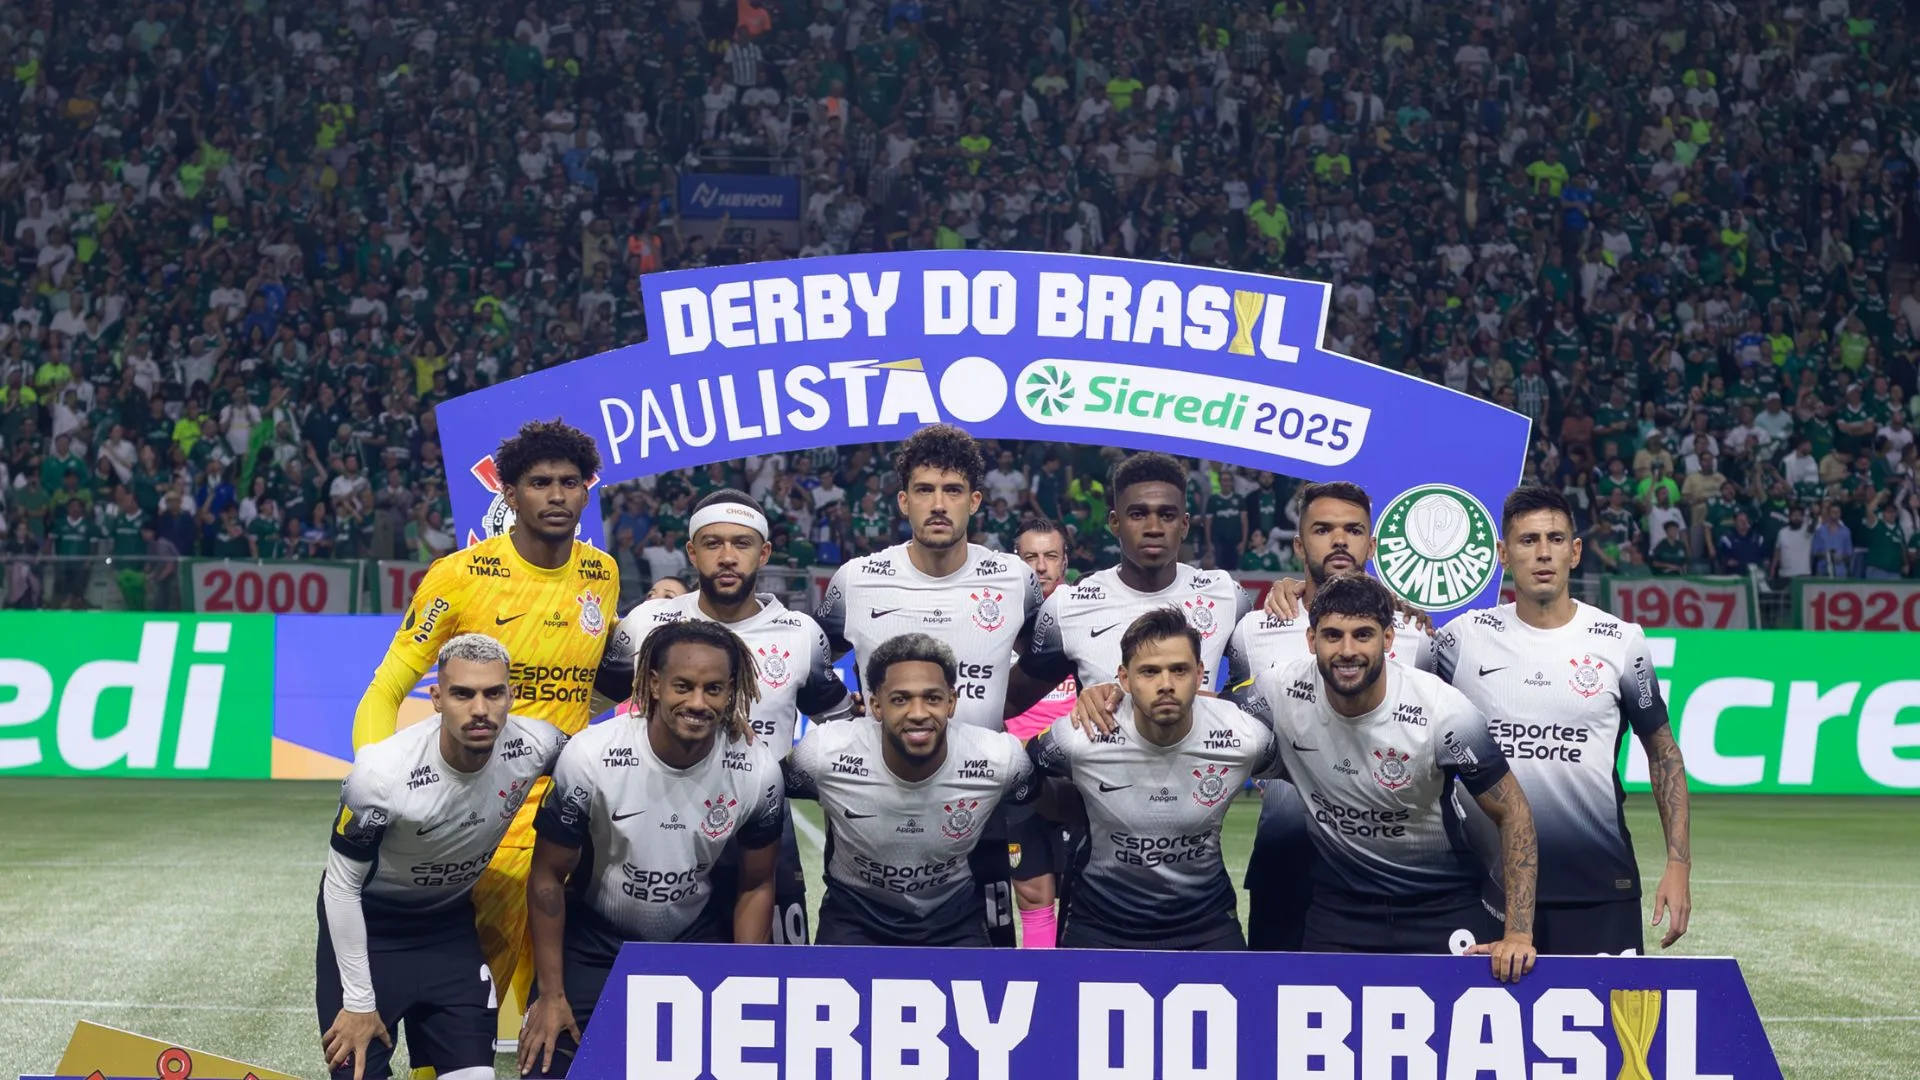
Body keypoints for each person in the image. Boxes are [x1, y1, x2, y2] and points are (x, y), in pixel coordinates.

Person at [350, 418, 617, 1038]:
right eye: (540, 483)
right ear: (510, 494)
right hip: (479, 818)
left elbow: (584, 688)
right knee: (461, 1008)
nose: (557, 495)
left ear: (587, 492)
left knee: (561, 1011)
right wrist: (376, 778)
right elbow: (386, 688)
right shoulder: (460, 575)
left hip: (570, 819)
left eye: (570, 482)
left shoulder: (601, 573)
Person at [519, 619, 785, 1077]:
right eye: (684, 686)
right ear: (655, 684)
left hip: (694, 939)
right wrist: (551, 994)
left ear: (731, 691)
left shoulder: (757, 770)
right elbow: (547, 876)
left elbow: (756, 883)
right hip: (594, 940)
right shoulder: (591, 757)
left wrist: (746, 986)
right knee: (546, 1065)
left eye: (714, 689)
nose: (698, 703)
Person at [1433, 485, 1691, 956]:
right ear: (1503, 554)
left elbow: (1663, 753)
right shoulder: (1461, 640)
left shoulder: (1620, 641)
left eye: (1554, 539)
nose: (1542, 553)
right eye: (1527, 540)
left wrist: (1678, 863)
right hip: (1485, 891)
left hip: (1596, 886)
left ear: (1574, 552)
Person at [1247, 574, 1538, 982]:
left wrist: (1519, 934)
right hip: (1339, 911)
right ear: (1311, 640)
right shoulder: (1278, 691)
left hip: (1440, 906)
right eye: (1332, 636)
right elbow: (1213, 731)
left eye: (1363, 635)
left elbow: (1514, 811)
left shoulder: (1441, 711)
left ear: (1388, 639)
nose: (1347, 651)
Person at [595, 490, 855, 945]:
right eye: (713, 543)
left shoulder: (800, 634)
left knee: (774, 974)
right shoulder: (647, 624)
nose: (728, 556)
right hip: (657, 826)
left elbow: (840, 729)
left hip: (763, 831)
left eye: (742, 543)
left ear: (764, 552)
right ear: (692, 552)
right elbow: (589, 707)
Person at [816, 424, 1041, 945]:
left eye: (953, 490)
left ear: (975, 501)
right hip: (874, 808)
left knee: (985, 971)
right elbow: (812, 662)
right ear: (903, 501)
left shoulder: (1015, 579)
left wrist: (1002, 705)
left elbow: (1047, 661)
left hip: (978, 809)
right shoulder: (857, 579)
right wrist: (843, 712)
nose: (938, 504)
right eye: (924, 490)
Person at [318, 634, 567, 1080]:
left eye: (493, 693)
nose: (480, 709)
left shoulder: (536, 745)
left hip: (447, 931)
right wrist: (357, 1001)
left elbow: (598, 762)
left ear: (511, 696)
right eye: (462, 694)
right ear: (436, 699)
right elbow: (339, 887)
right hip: (371, 929)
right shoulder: (380, 776)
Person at [1227, 480, 1438, 950]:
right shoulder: (1254, 631)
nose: (1339, 541)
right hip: (1286, 858)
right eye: (1323, 530)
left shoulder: (1413, 636)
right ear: (1299, 545)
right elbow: (1232, 724)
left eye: (1353, 530)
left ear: (1372, 545)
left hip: (1389, 865)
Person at [1028, 607, 1275, 950]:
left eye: (1179, 670)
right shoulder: (1080, 737)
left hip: (1206, 923)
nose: (1166, 685)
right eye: (1149, 672)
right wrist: (1071, 808)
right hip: (1100, 924)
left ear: (1200, 674)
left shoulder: (1245, 737)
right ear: (1124, 679)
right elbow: (1024, 772)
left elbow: (1302, 769)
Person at [783, 633, 1037, 947]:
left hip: (953, 917)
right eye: (900, 699)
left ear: (951, 702)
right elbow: (767, 789)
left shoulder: (1000, 759)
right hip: (854, 914)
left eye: (932, 698)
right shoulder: (823, 754)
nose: (918, 713)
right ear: (876, 706)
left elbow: (1042, 800)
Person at [1007, 451, 1251, 708]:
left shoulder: (1227, 594)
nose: (1154, 528)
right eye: (1138, 514)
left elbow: (1262, 691)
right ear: (1115, 523)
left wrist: (1215, 706)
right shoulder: (1067, 606)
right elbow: (1011, 702)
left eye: (1167, 515)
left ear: (1184, 524)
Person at [1005, 518, 1078, 949]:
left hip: (1076, 777)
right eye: (1030, 556)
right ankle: (1043, 977)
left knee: (1082, 892)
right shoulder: (997, 623)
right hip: (1018, 777)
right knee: (1032, 894)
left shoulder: (1087, 616)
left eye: (1051, 556)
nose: (1041, 566)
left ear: (1065, 562)